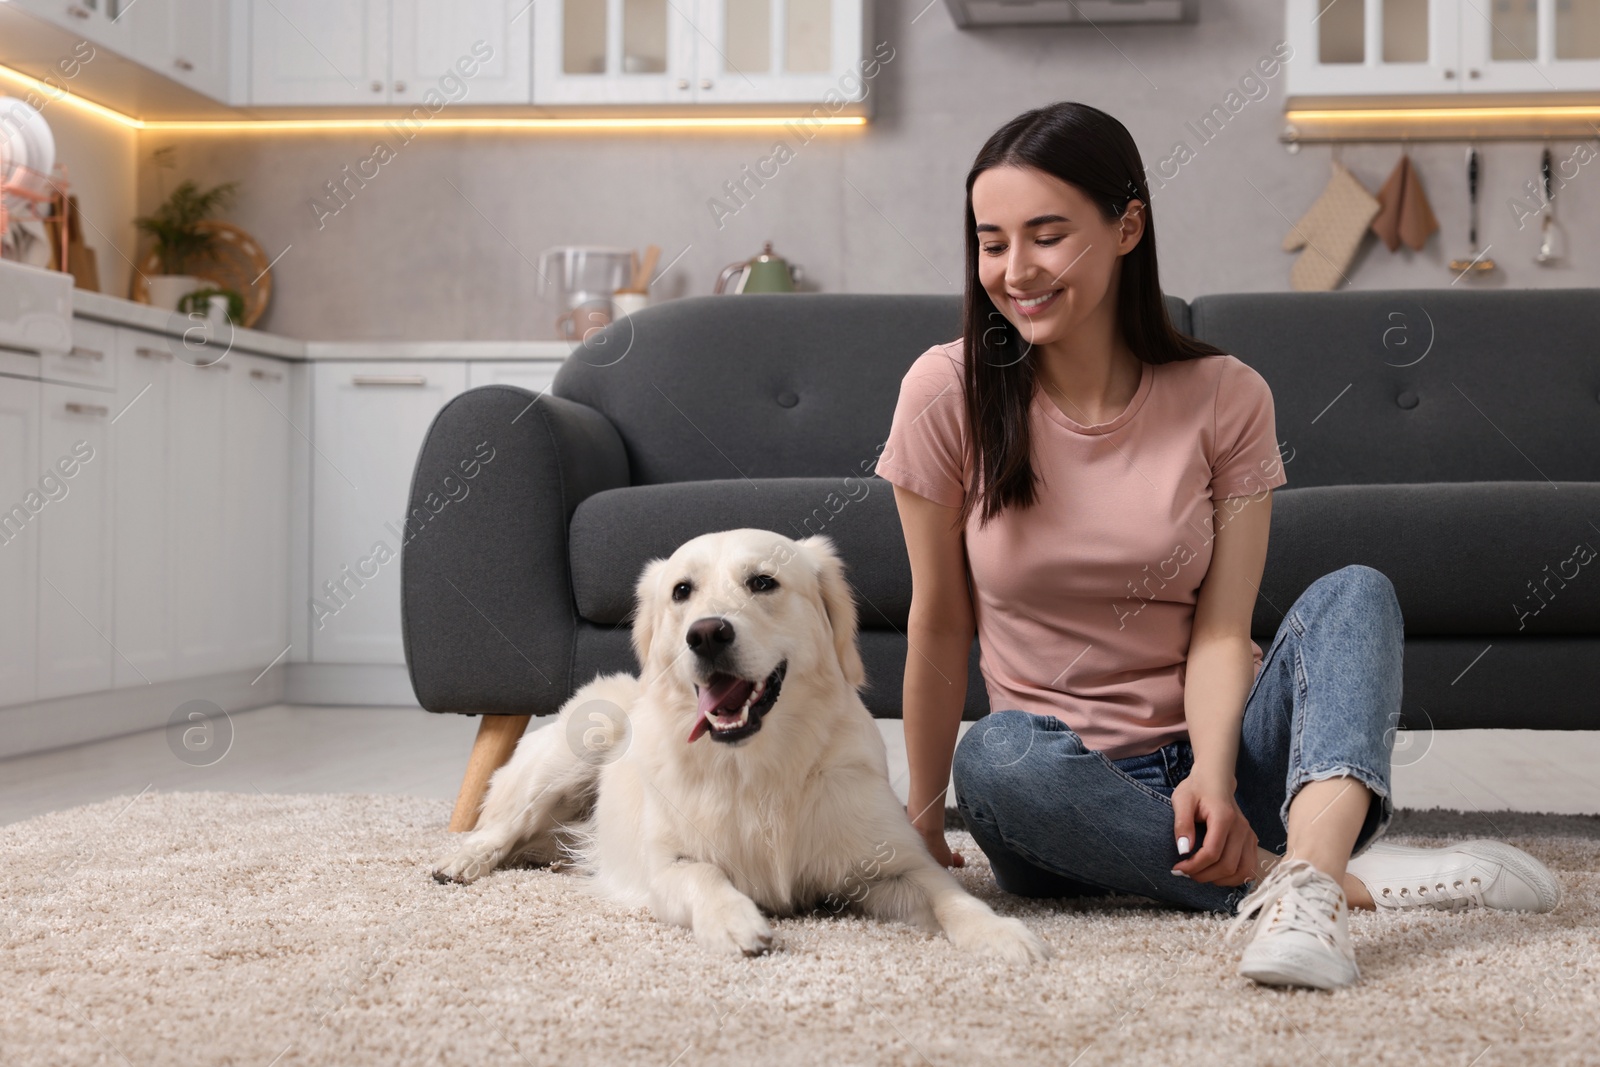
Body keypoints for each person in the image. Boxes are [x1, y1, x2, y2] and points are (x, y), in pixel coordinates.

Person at [874, 101, 1561, 991]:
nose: (1016, 271)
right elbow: (938, 624)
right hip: (1060, 797)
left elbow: (1219, 627)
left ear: (1127, 227)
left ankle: (1307, 872)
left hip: (1227, 764)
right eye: (992, 241)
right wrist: (926, 822)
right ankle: (1308, 880)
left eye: (1047, 236)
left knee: (1357, 589)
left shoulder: (1226, 395)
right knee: (995, 756)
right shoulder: (945, 390)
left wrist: (1214, 771)